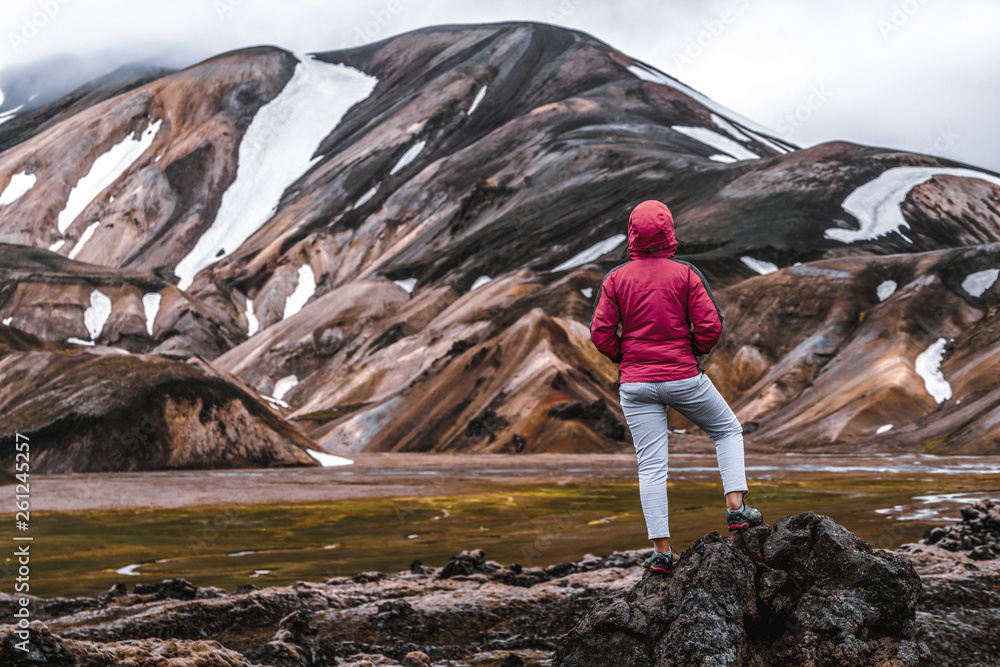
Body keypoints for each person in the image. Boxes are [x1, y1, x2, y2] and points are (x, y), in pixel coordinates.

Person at [589, 200, 762, 576]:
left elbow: (600, 333)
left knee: (651, 466)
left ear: (632, 234)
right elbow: (710, 326)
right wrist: (692, 351)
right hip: (683, 376)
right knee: (727, 429)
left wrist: (627, 357)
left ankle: (661, 553)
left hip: (635, 383)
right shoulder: (685, 274)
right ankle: (736, 509)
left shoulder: (616, 278)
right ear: (668, 232)